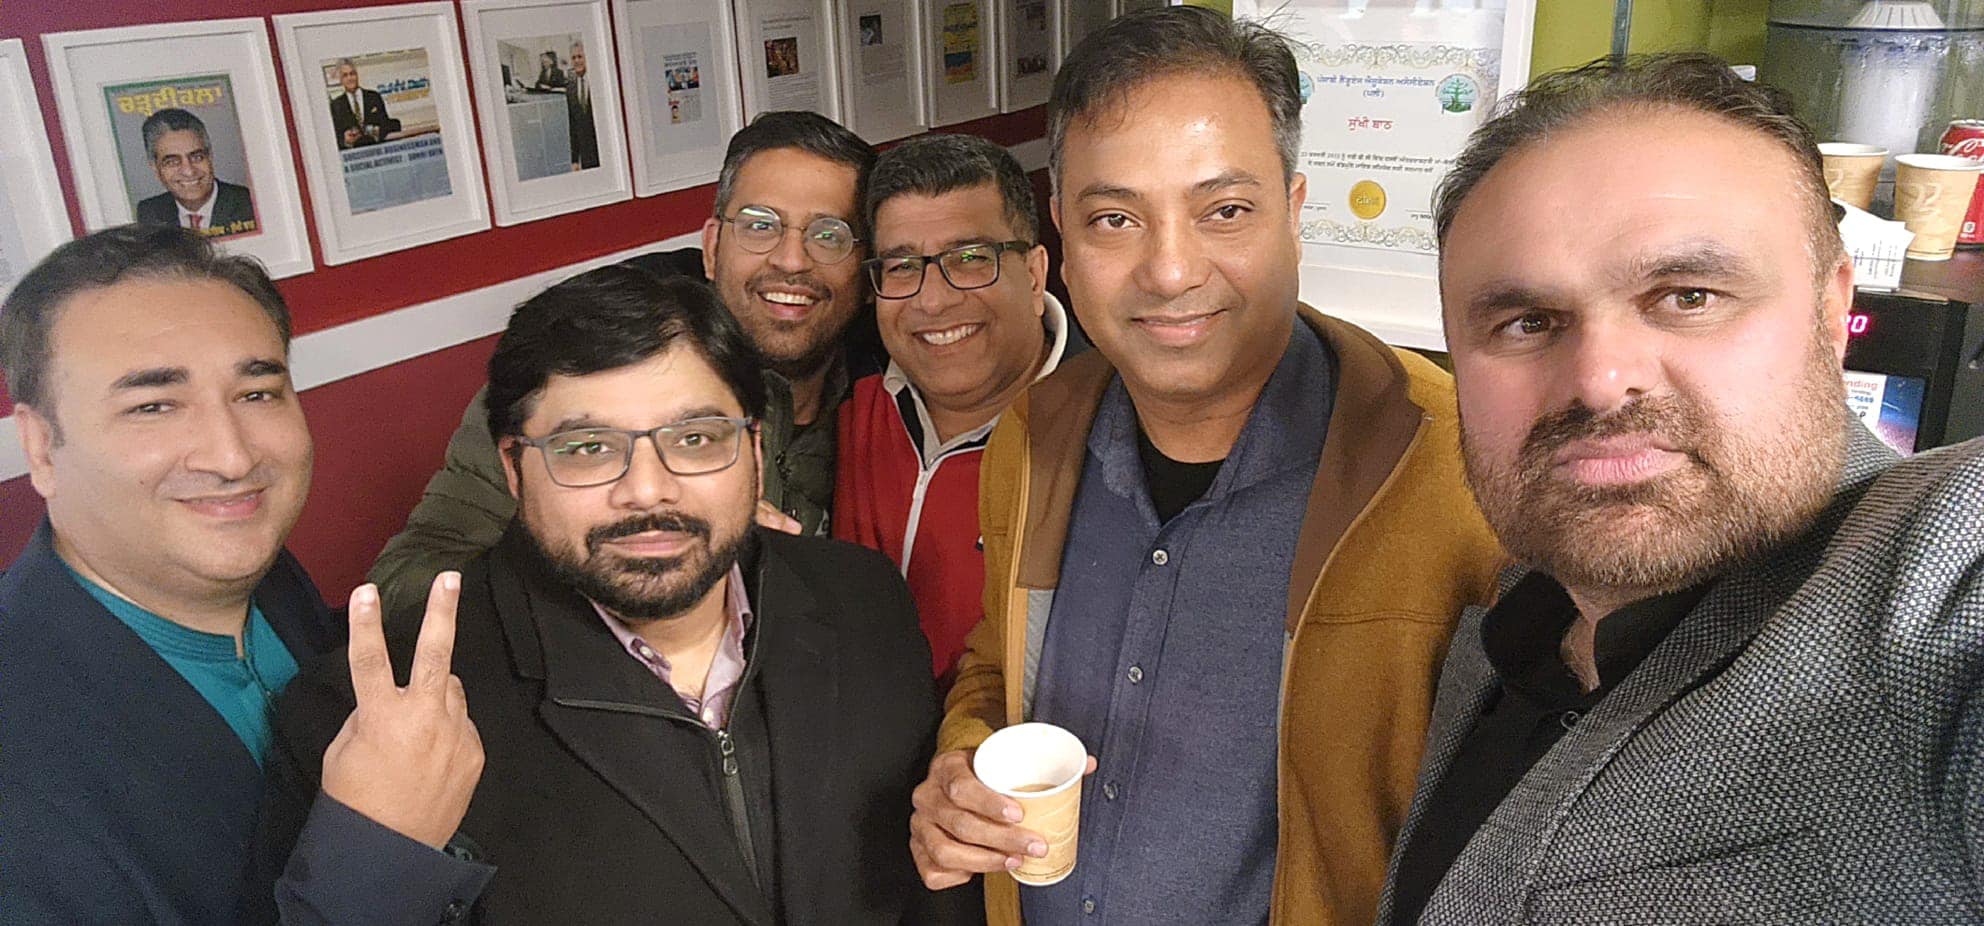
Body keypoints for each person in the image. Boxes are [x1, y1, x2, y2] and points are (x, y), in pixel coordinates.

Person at [908, 8, 1504, 925]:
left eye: (1224, 211)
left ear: (1294, 213)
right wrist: (966, 760)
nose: (1170, 270)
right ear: (1062, 233)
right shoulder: (1034, 434)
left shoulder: (1455, 469)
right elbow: (1001, 658)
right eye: (1115, 219)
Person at [1376, 53, 1984, 925]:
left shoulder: (1935, 574)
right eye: (1528, 322)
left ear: (1830, 312)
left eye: (1689, 297)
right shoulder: (1511, 626)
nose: (1599, 381)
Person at [261, 267, 976, 924]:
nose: (648, 489)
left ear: (755, 451)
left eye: (697, 438)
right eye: (587, 449)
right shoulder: (367, 723)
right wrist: (380, 865)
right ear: (513, 468)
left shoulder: (865, 600)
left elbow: (931, 886)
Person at [0, 225, 487, 925]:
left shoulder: (259, 575)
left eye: (257, 394)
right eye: (153, 406)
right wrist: (383, 849)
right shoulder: (21, 787)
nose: (232, 458)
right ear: (42, 447)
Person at [367, 111, 877, 617]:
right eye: (759, 226)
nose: (791, 260)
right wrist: (617, 563)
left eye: (829, 235)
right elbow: (402, 588)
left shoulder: (890, 387)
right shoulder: (571, 370)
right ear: (712, 248)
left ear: (868, 269)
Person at [835, 133, 1080, 685]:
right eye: (902, 266)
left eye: (970, 259)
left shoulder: (1107, 437)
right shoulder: (847, 393)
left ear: (1035, 275)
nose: (932, 300)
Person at [133, 108, 257, 238]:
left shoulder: (250, 204)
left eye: (197, 157)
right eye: (172, 162)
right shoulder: (149, 212)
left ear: (210, 157)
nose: (189, 171)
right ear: (155, 168)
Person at [329, 58, 402, 150]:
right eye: (345, 75)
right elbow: (334, 135)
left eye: (352, 74)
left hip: (378, 148)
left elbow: (386, 123)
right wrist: (345, 139)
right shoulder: (336, 105)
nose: (350, 78)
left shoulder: (374, 97)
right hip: (354, 153)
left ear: (357, 75)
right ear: (340, 79)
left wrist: (377, 131)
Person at [566, 42, 599, 171]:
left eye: (580, 56)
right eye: (573, 58)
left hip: (604, 150)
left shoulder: (599, 82)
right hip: (586, 155)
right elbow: (573, 126)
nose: (577, 61)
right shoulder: (570, 88)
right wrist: (574, 159)